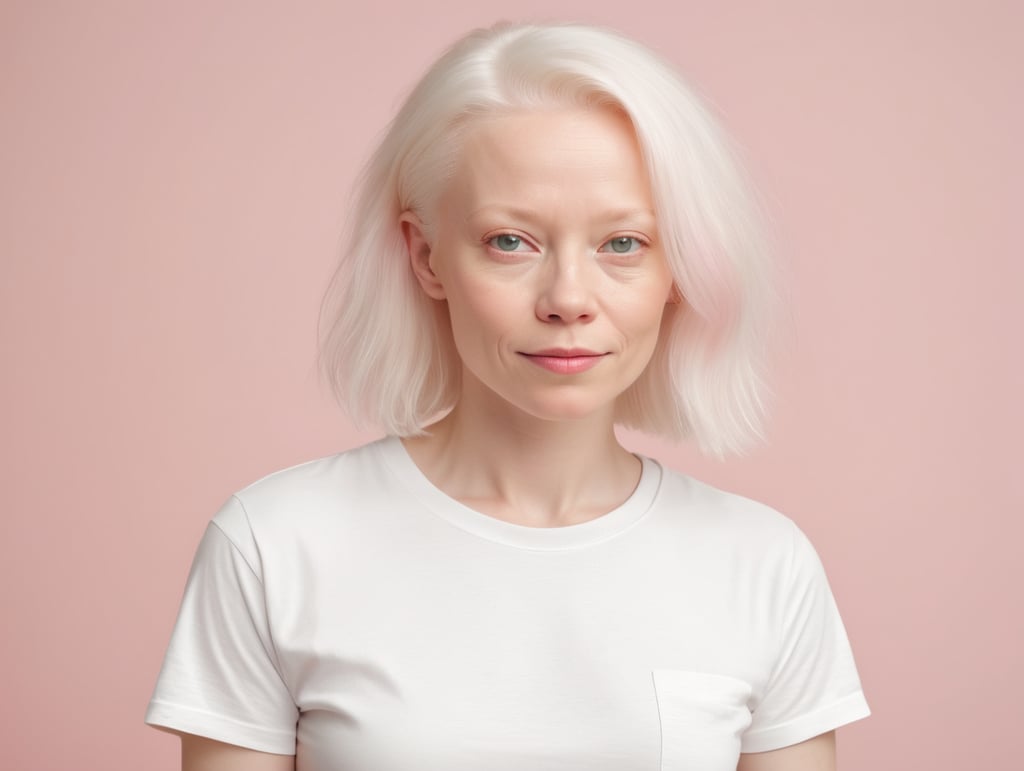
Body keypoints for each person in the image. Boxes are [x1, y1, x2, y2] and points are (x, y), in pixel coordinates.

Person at [146, 21, 869, 771]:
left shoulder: (763, 563)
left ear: (679, 269)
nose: (567, 299)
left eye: (623, 243)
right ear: (426, 258)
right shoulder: (275, 544)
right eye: (510, 241)